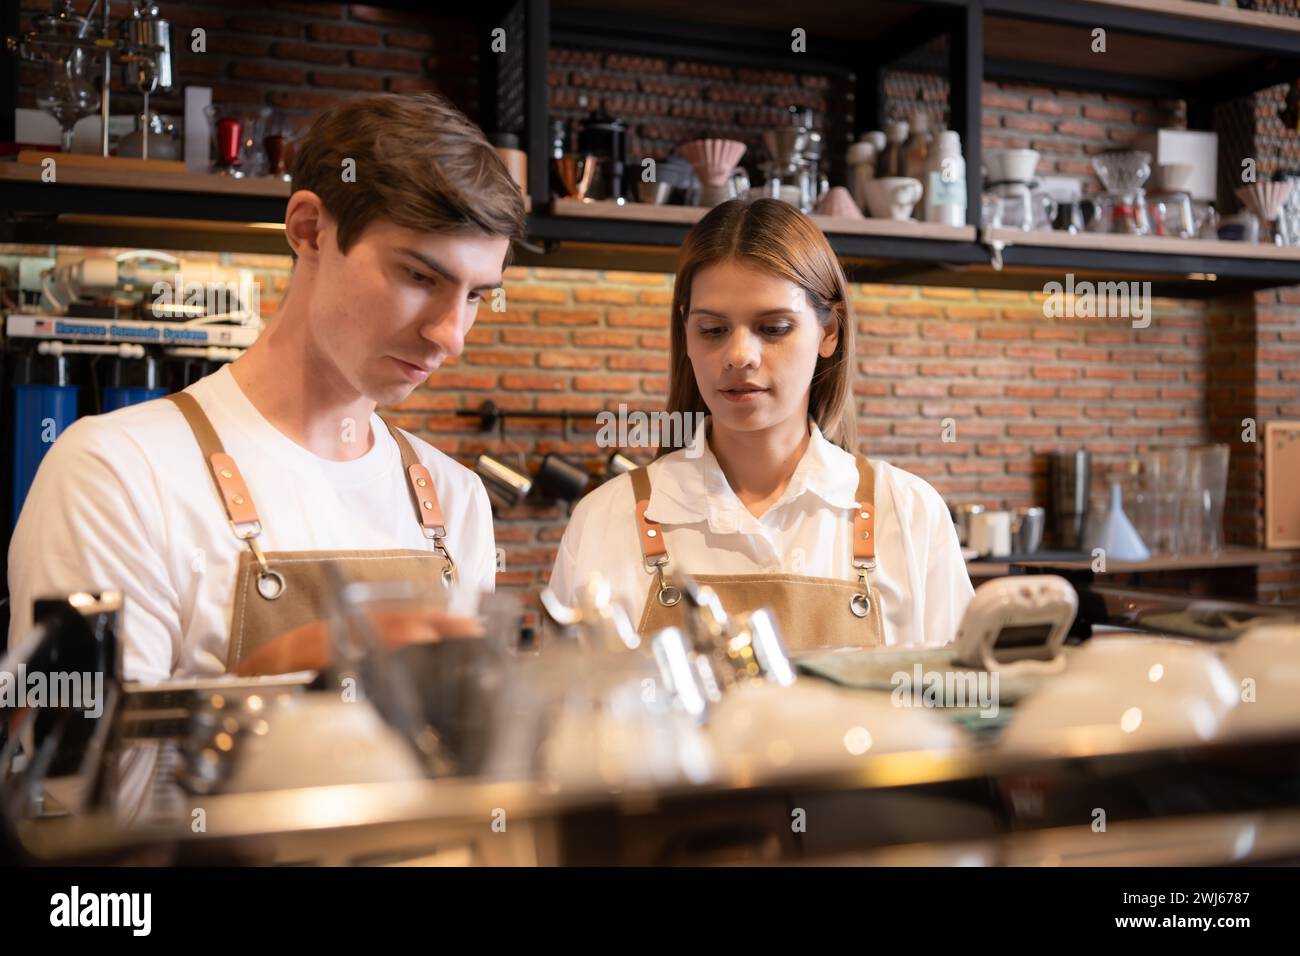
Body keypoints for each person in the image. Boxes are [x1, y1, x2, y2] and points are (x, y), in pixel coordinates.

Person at [7, 92, 525, 681]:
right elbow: (80, 771)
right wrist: (283, 677)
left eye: (477, 295)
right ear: (309, 231)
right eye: (419, 275)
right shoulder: (117, 474)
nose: (451, 335)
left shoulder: (456, 500)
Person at [549, 198, 973, 650]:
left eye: (773, 328)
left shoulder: (909, 514)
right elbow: (562, 714)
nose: (739, 355)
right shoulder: (603, 520)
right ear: (686, 335)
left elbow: (959, 711)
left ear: (829, 332)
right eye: (712, 330)